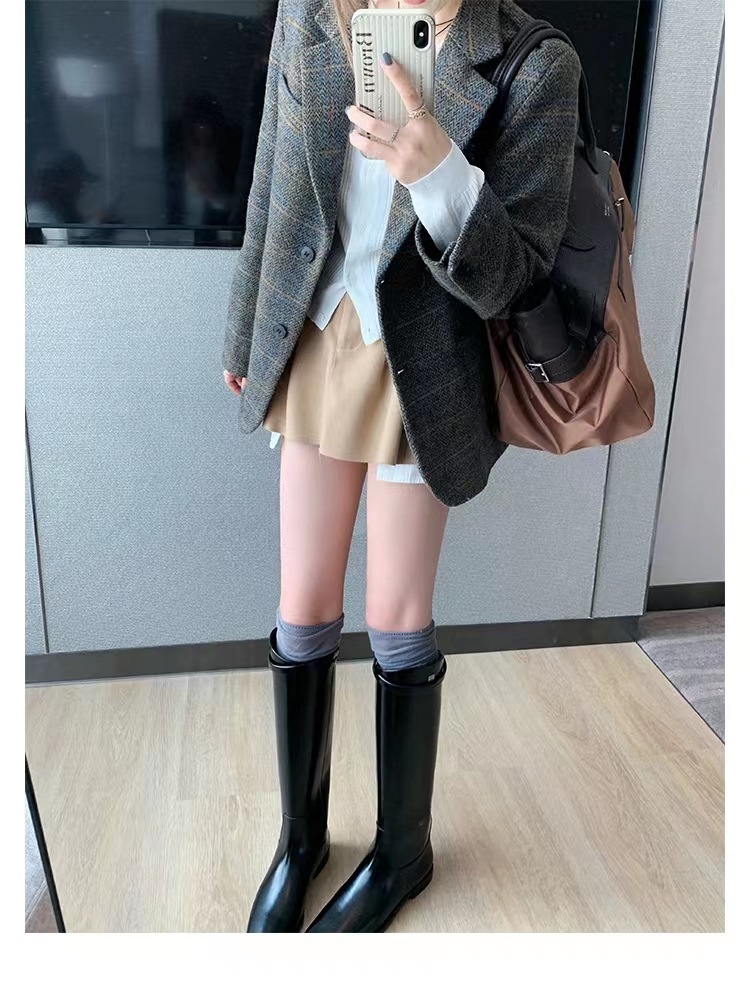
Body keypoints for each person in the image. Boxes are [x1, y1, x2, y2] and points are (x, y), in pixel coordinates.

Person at [222, 0, 581, 933]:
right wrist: (243, 326)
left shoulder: (535, 64)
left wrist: (442, 177)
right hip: (315, 333)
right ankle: (301, 841)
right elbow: (271, 177)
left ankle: (401, 852)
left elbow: (522, 279)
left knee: (395, 619)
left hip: (426, 365)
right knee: (302, 606)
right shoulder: (315, 13)